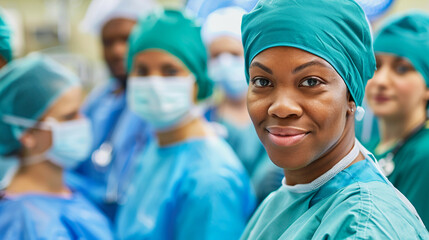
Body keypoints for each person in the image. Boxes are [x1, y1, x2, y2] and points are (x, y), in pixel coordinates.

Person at [239, 0, 429, 239]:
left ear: (351, 94)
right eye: (262, 81)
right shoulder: (284, 200)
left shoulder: (362, 227)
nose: (281, 107)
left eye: (310, 82)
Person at [116, 10, 256, 239]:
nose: (154, 83)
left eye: (170, 71)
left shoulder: (210, 179)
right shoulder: (158, 147)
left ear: (198, 81)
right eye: (141, 70)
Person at [0, 54, 113, 239]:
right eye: (69, 117)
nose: (82, 123)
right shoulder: (24, 222)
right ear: (26, 134)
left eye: (80, 111)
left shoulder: (65, 190)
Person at [65, 0, 157, 221]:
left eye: (126, 39)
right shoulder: (98, 100)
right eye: (108, 42)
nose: (117, 51)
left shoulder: (160, 104)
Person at [202, 6, 282, 203]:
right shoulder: (205, 119)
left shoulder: (276, 113)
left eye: (234, 54)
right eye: (216, 55)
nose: (225, 62)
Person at [365, 12, 429, 227]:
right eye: (376, 65)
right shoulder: (364, 149)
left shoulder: (424, 155)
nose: (381, 80)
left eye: (401, 69)